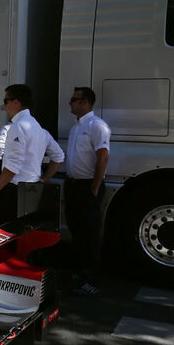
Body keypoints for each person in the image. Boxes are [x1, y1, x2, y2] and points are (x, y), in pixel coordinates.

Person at [64, 86, 111, 296]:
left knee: (90, 233)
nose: (70, 103)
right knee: (76, 230)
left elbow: (103, 156)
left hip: (87, 186)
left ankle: (90, 279)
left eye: (74, 99)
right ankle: (77, 274)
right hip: (73, 185)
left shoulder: (97, 125)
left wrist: (94, 186)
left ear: (85, 102)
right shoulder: (76, 127)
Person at [0, 84, 52, 223]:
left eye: (5, 101)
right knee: (25, 236)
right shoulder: (37, 126)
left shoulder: (18, 126)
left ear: (16, 102)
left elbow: (13, 166)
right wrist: (44, 179)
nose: (4, 107)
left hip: (14, 192)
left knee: (8, 237)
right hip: (31, 189)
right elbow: (59, 157)